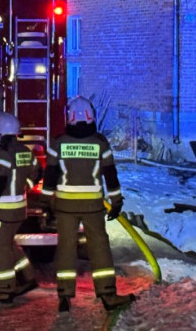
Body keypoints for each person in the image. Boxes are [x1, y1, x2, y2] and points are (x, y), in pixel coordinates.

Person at [42, 96, 135, 313]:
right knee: (99, 248)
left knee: (66, 249)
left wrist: (46, 201)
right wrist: (116, 201)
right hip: (93, 206)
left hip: (65, 207)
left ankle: (64, 296)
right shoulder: (100, 143)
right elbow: (110, 175)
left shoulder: (58, 143)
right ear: (91, 116)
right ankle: (107, 295)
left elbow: (50, 176)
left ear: (70, 118)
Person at [0, 112, 42, 303]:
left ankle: (5, 288)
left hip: (2, 211)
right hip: (19, 210)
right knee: (8, 243)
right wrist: (25, 186)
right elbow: (38, 171)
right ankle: (27, 276)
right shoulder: (25, 151)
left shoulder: (1, 154)